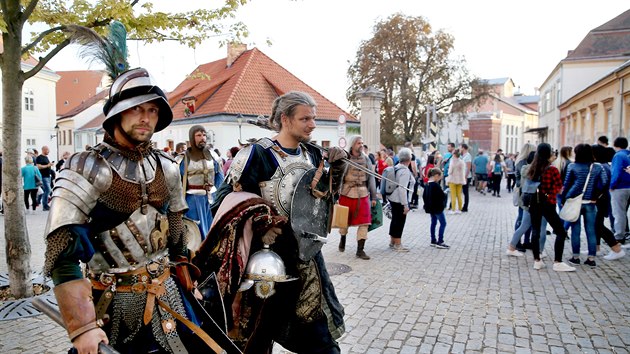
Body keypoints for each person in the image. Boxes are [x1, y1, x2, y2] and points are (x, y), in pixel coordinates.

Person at [43, 68, 212, 353]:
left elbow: (177, 238)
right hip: (112, 303)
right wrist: (82, 327)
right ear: (117, 115)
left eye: (152, 110)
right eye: (135, 109)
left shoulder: (167, 167)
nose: (146, 117)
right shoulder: (86, 167)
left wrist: (186, 282)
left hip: (168, 294)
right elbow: (62, 254)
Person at [200, 91, 345, 353]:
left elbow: (320, 204)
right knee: (253, 338)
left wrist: (336, 170)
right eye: (305, 119)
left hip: (305, 259)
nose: (312, 124)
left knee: (320, 338)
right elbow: (223, 206)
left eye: (313, 118)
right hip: (264, 262)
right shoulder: (256, 154)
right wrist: (260, 222)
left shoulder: (312, 155)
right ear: (285, 119)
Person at [526, 143, 575, 272]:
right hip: (548, 202)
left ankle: (537, 260)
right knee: (560, 231)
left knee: (535, 231)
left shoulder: (532, 167)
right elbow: (559, 189)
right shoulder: (552, 169)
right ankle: (558, 262)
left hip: (534, 202)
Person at [562, 144, 608, 268]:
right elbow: (604, 182)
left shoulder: (572, 166)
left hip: (575, 201)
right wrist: (595, 196)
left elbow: (566, 185)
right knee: (591, 230)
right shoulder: (597, 167)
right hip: (590, 203)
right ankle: (591, 258)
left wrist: (563, 199)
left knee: (575, 231)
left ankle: (575, 257)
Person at [177, 125, 224, 239]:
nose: (202, 138)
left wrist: (219, 195)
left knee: (213, 229)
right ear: (192, 138)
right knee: (195, 232)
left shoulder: (213, 155)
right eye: (198, 135)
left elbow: (219, 176)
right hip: (193, 200)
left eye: (204, 135)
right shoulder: (184, 158)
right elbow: (177, 182)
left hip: (212, 199)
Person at [338, 135, 378, 260]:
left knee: (365, 222)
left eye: (362, 143)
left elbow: (371, 178)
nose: (361, 145)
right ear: (352, 144)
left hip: (363, 193)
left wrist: (374, 197)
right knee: (343, 221)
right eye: (358, 143)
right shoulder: (345, 159)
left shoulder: (366, 159)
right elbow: (339, 177)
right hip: (346, 193)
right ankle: (342, 237)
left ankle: (360, 250)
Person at [592, 144, 626, 260]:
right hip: (602, 199)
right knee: (597, 224)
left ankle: (616, 248)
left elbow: (602, 184)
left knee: (598, 225)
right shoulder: (604, 165)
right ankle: (596, 248)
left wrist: (595, 196)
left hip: (600, 200)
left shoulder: (601, 167)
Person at [387, 148, 414, 251]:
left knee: (394, 220)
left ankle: (392, 241)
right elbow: (402, 189)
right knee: (400, 221)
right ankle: (398, 244)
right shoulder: (405, 171)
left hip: (393, 198)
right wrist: (406, 204)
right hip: (400, 200)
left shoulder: (396, 167)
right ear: (409, 158)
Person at [609, 137, 630, 246]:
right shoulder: (628, 154)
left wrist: (612, 185)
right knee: (624, 212)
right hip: (629, 186)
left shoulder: (618, 155)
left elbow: (616, 172)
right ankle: (626, 232)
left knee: (619, 213)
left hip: (620, 187)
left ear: (615, 144)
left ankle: (619, 236)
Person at [423, 168, 449, 249]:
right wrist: (445, 193)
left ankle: (433, 240)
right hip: (437, 208)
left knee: (433, 223)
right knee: (443, 223)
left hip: (431, 208)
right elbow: (441, 196)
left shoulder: (427, 185)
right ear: (436, 176)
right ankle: (440, 241)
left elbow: (424, 196)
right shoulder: (436, 185)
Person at [447, 149, 466, 214]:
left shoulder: (452, 161)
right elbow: (463, 171)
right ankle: (460, 209)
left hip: (452, 179)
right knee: (459, 195)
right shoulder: (462, 162)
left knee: (453, 195)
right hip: (460, 180)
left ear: (454, 154)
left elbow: (450, 171)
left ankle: (453, 209)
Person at [35, 145, 54, 211]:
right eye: (47, 150)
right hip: (43, 176)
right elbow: (38, 166)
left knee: (47, 190)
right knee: (47, 190)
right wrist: (47, 165)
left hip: (48, 176)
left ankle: (45, 205)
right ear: (44, 150)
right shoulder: (39, 158)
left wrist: (50, 165)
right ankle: (45, 205)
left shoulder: (46, 157)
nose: (48, 151)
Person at [460, 144, 472, 212]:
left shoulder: (468, 156)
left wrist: (466, 176)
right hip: (462, 176)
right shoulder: (462, 156)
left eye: (460, 148)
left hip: (465, 176)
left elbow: (468, 167)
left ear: (463, 148)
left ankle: (465, 206)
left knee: (465, 192)